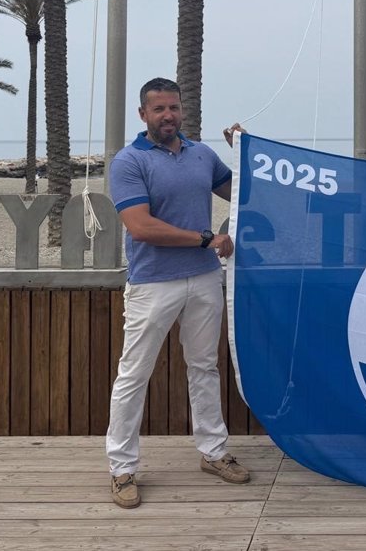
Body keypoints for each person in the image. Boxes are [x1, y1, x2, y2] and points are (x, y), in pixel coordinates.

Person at [105, 77, 248, 508]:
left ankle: (213, 452)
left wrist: (245, 152)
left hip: (204, 279)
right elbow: (141, 227)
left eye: (174, 108)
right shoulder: (129, 161)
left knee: (204, 368)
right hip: (153, 283)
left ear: (182, 111)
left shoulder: (202, 155)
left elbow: (243, 192)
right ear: (143, 114)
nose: (168, 116)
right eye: (159, 109)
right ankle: (122, 468)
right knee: (134, 375)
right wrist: (207, 239)